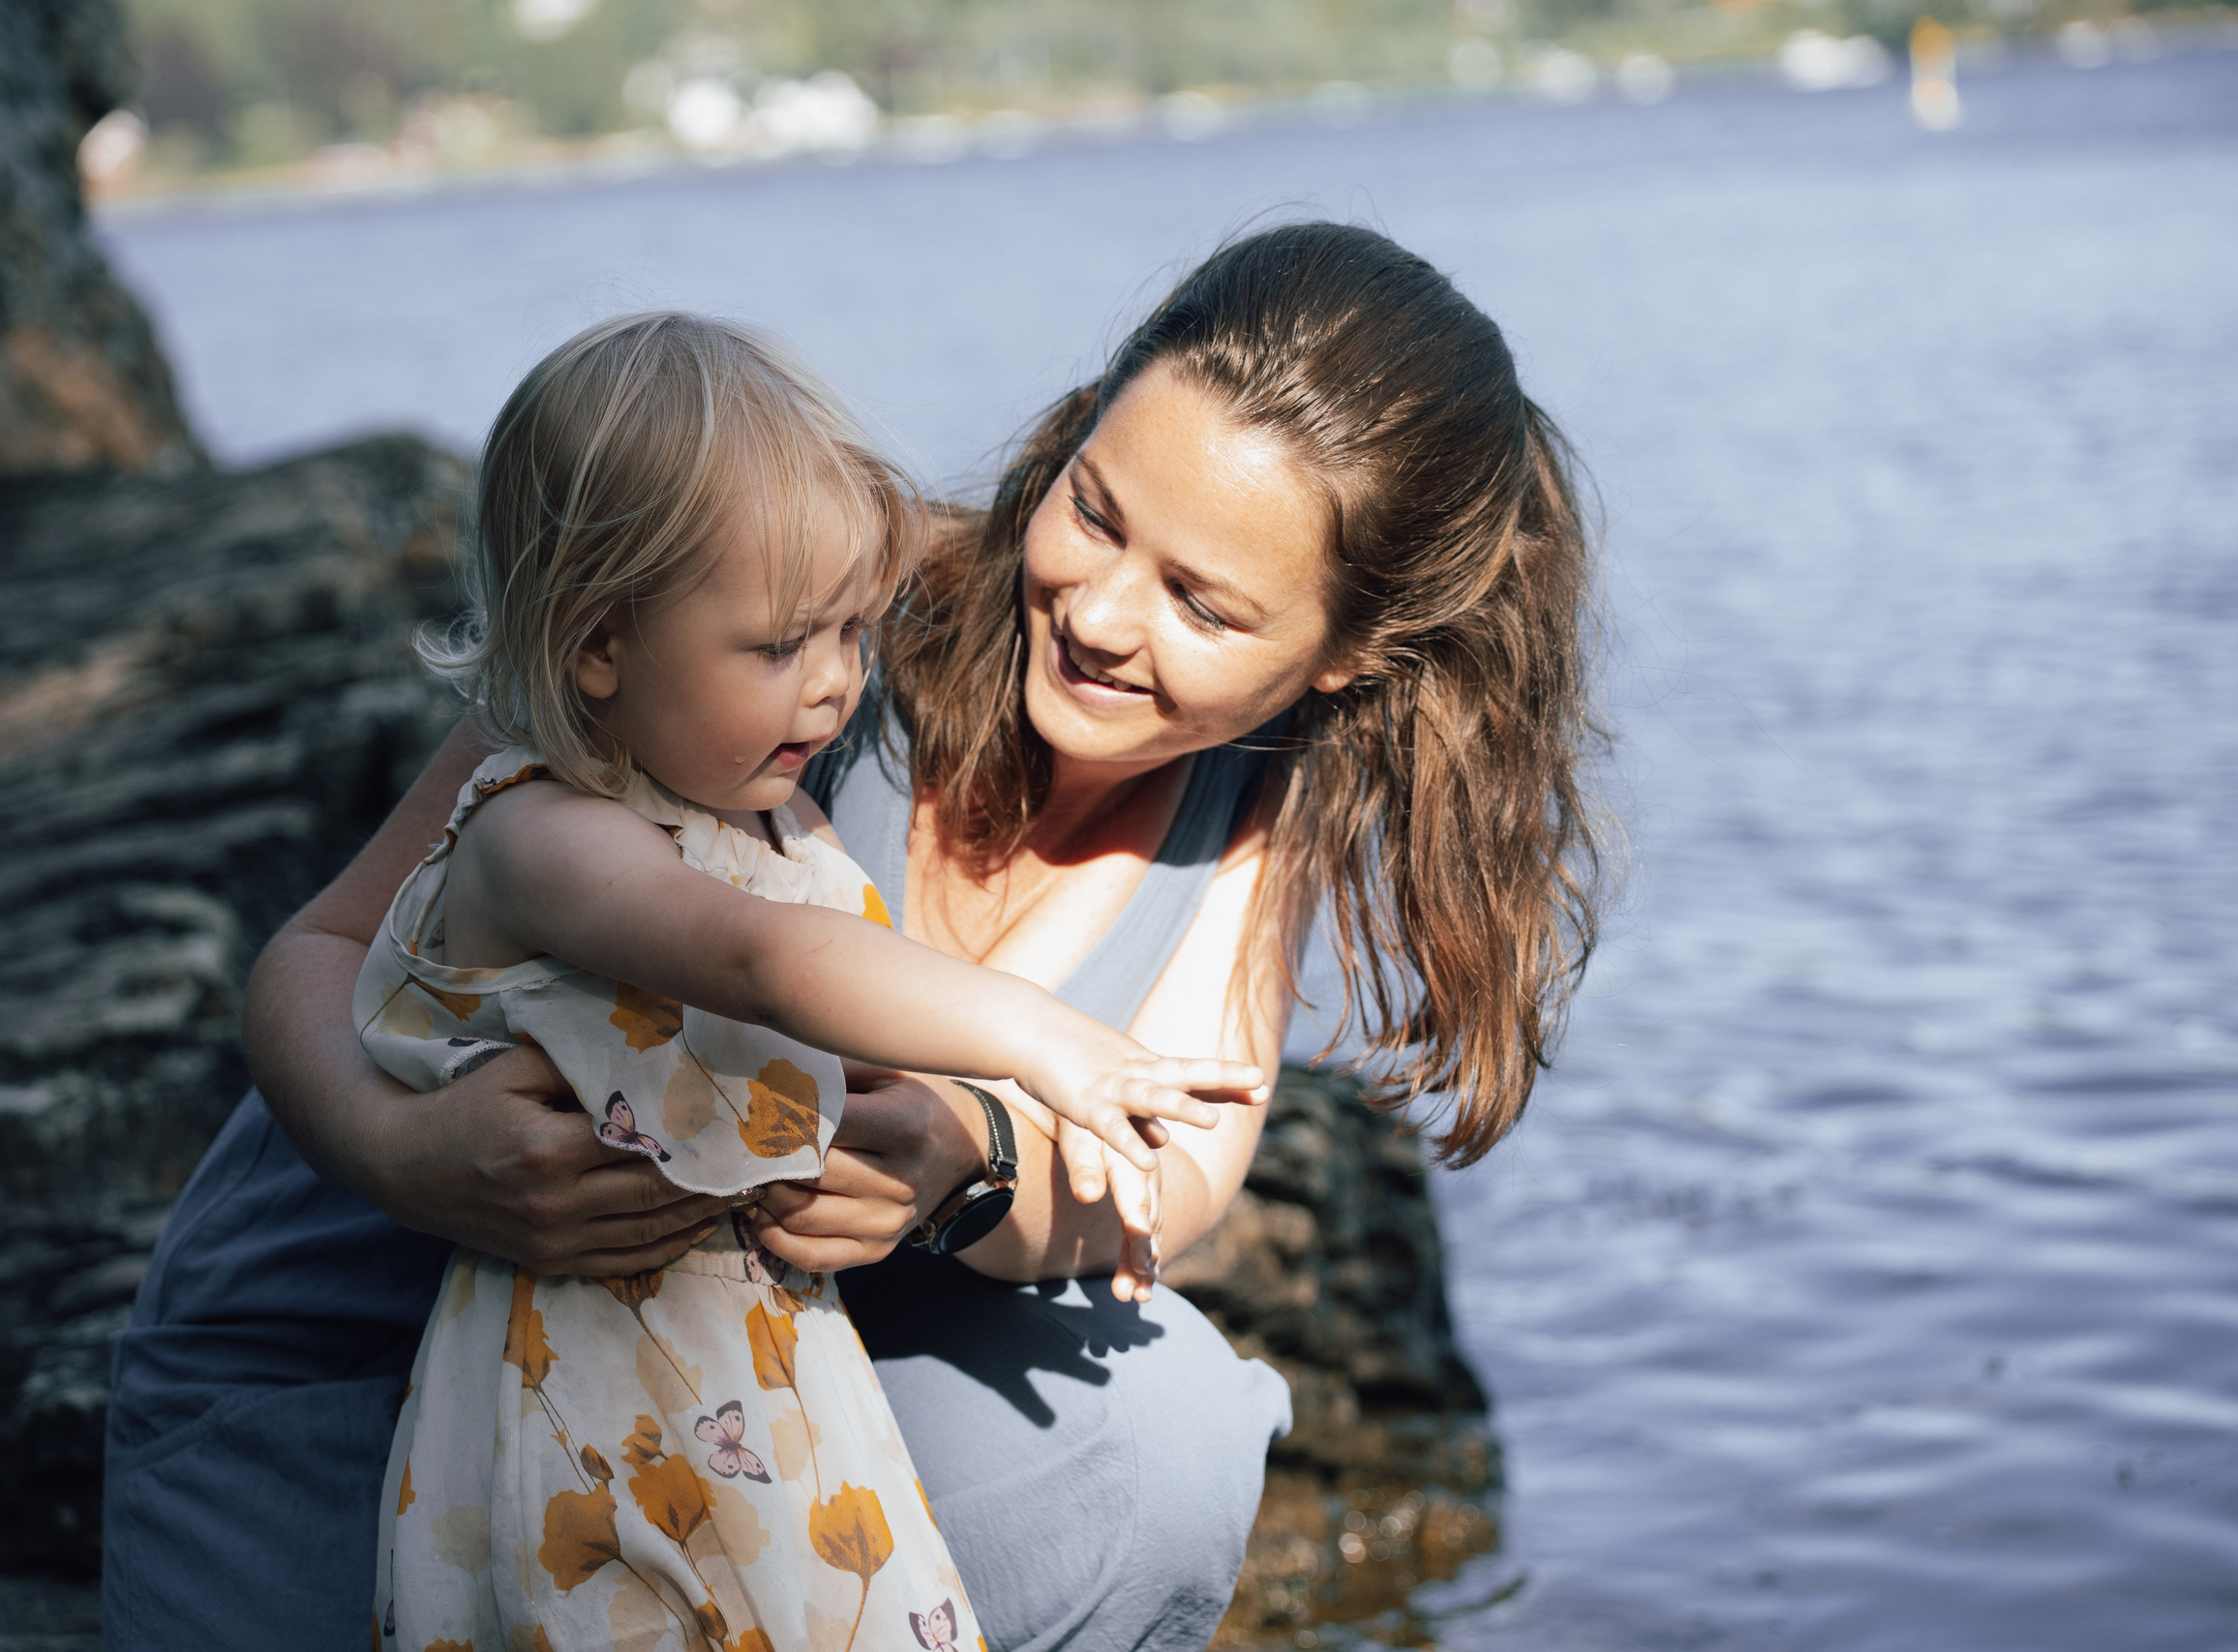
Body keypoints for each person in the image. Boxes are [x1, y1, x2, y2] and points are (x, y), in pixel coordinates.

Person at [104, 221, 1600, 1652]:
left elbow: (1171, 1180)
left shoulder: (1252, 826)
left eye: (1204, 604)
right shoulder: (793, 602)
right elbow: (315, 952)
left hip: (715, 1384)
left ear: (1346, 658)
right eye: (1095, 510)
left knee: (1165, 1446)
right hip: (361, 1343)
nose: (1100, 612)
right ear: (1075, 432)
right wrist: (404, 1156)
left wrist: (968, 1163)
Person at [354, 311, 1258, 1651]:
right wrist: (1043, 1046)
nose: (838, 689)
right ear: (599, 646)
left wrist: (964, 1152)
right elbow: (763, 961)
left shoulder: (765, 816)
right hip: (591, 1410)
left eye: (853, 632)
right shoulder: (541, 833)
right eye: (786, 647)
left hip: (764, 1384)